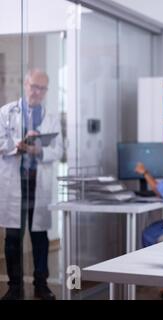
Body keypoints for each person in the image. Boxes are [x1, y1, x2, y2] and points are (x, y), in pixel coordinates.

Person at [0, 69, 63, 300]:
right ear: (25, 85)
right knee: (13, 236)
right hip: (14, 182)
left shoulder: (51, 117)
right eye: (34, 86)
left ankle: (41, 284)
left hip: (38, 182)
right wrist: (17, 146)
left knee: (39, 236)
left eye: (42, 88)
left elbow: (58, 150)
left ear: (46, 91)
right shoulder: (6, 112)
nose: (37, 91)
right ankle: (14, 286)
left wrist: (38, 149)